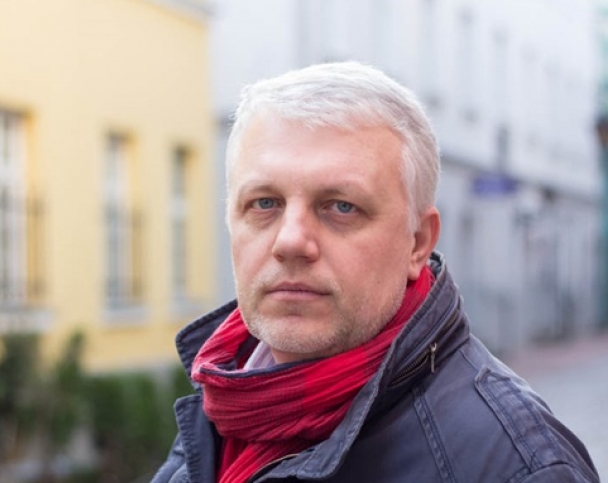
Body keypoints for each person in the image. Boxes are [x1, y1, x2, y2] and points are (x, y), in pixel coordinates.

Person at [151, 62, 599, 483]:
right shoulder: (226, 405)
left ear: (417, 242)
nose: (290, 241)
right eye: (264, 203)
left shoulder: (518, 466)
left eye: (341, 207)